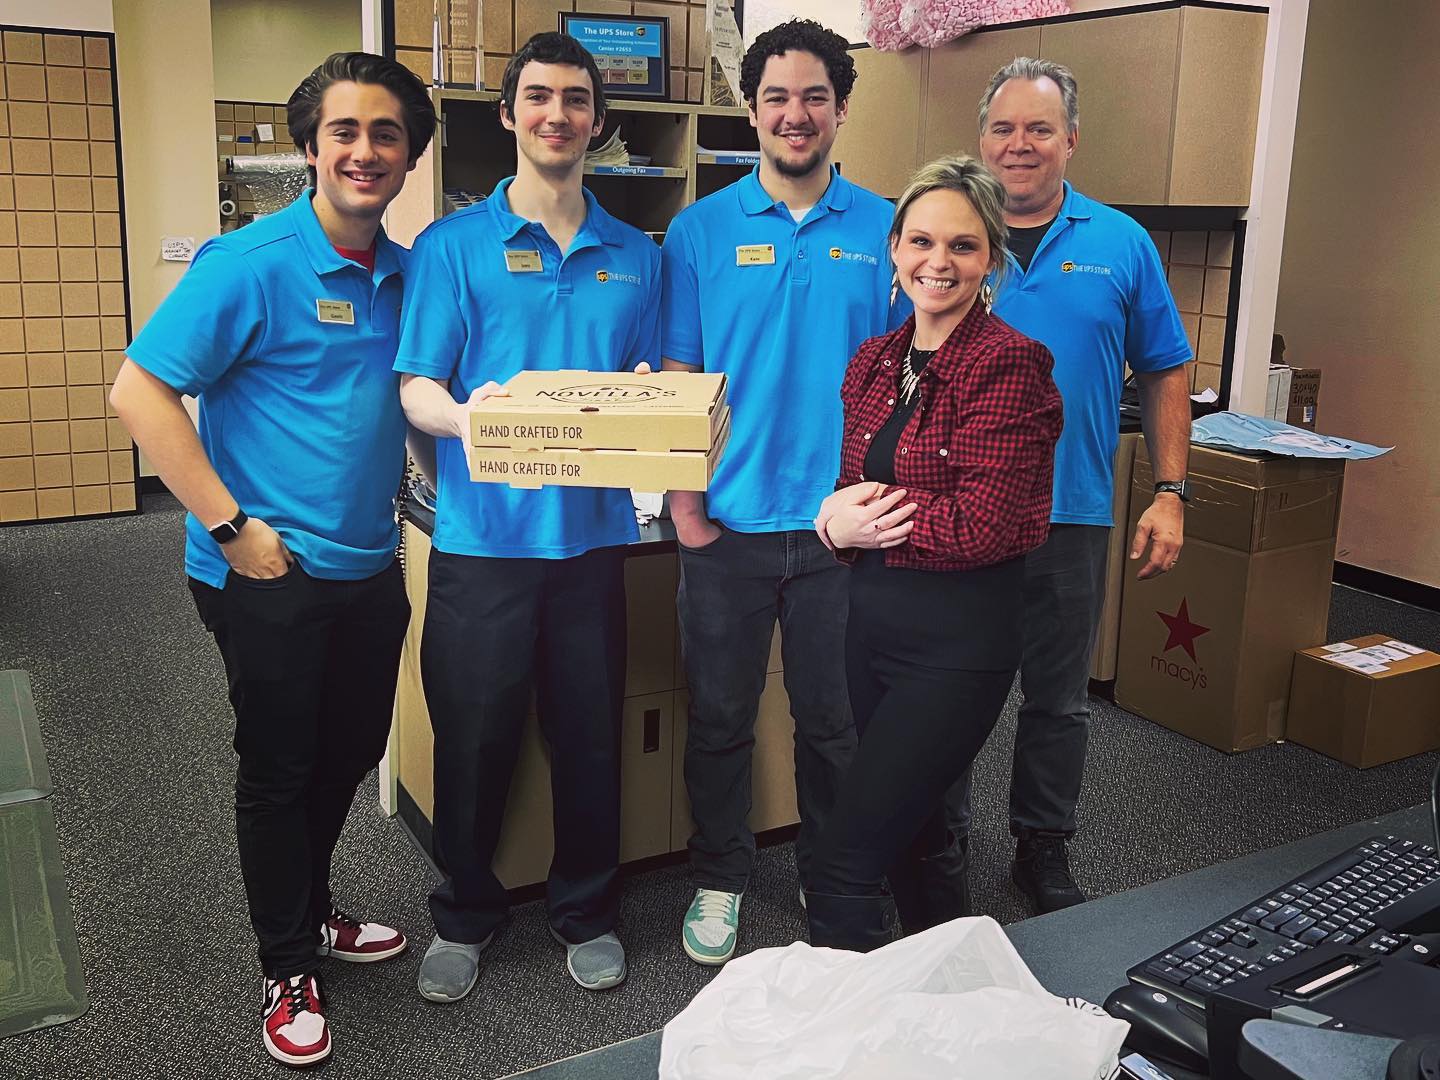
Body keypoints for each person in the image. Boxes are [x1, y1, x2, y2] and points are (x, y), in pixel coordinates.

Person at [110, 53, 436, 1067]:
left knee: (351, 749)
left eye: (386, 133)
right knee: (280, 765)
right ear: (310, 148)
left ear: (409, 156)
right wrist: (230, 529)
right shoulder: (248, 264)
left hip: (370, 561)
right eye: (345, 131)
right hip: (266, 572)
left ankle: (311, 904)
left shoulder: (407, 273)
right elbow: (139, 392)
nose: (365, 151)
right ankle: (285, 962)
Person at [394, 32, 660, 1003]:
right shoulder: (452, 247)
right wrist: (474, 421)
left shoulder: (637, 255)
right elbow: (416, 387)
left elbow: (649, 381)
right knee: (473, 740)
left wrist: (646, 401)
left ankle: (587, 911)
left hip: (592, 546)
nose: (558, 114)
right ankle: (464, 915)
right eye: (539, 97)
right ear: (508, 114)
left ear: (598, 120)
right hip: (482, 545)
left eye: (577, 99)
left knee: (589, 738)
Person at [660, 19, 906, 966]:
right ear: (752, 108)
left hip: (842, 527)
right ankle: (721, 875)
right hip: (726, 524)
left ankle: (832, 872)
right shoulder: (700, 230)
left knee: (834, 723)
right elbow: (681, 376)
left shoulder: (886, 228)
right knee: (719, 717)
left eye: (813, 97)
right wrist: (685, 507)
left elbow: (910, 376)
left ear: (840, 108)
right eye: (776, 97)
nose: (794, 114)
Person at [948, 56, 1193, 914]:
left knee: (1057, 700)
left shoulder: (1120, 243)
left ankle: (1042, 847)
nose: (1019, 144)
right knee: (948, 691)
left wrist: (1171, 491)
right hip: (955, 515)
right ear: (981, 139)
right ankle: (939, 843)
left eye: (1039, 128)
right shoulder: (946, 237)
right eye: (1003, 128)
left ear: (1071, 140)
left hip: (1070, 512)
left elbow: (1165, 367)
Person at [804, 155, 1063, 950]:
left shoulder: (1009, 362)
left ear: (990, 258)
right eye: (921, 241)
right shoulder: (875, 361)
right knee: (912, 841)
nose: (938, 262)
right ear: (894, 248)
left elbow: (985, 525)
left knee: (842, 867)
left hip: (956, 648)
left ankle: (846, 1019)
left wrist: (855, 523)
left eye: (963, 244)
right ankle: (949, 999)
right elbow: (849, 491)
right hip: (873, 629)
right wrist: (830, 522)